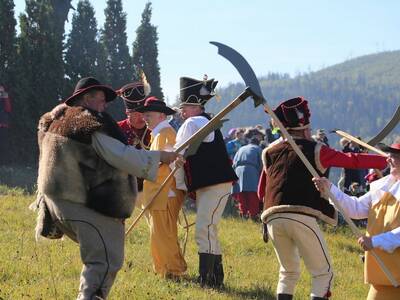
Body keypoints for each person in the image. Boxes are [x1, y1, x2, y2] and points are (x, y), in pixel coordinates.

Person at [33, 77, 179, 300]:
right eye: (100, 100)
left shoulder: (56, 121)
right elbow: (120, 155)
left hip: (58, 204)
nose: (104, 105)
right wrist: (161, 157)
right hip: (85, 203)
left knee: (99, 259)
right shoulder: (87, 122)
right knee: (105, 259)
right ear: (86, 99)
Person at [258, 97, 388, 300]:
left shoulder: (269, 152)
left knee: (288, 272)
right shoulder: (317, 149)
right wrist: (386, 160)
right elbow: (352, 161)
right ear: (306, 127)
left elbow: (261, 191)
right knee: (323, 273)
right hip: (301, 216)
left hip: (271, 217)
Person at [313, 141, 400, 300]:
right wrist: (330, 190)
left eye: (393, 156)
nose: (388, 160)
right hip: (385, 274)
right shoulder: (383, 186)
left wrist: (375, 241)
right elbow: (356, 208)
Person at [174, 75, 238, 288]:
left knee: (204, 228)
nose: (182, 112)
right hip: (213, 184)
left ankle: (208, 280)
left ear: (195, 107)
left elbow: (177, 151)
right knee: (208, 228)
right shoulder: (204, 121)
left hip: (213, 184)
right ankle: (215, 278)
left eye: (185, 106)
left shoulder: (194, 122)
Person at [135, 97, 187, 279]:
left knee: (164, 234)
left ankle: (173, 271)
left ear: (162, 115)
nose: (145, 118)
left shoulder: (165, 133)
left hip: (165, 192)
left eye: (148, 115)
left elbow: (170, 162)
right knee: (159, 234)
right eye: (144, 115)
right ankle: (166, 270)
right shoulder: (159, 133)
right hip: (159, 192)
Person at [116, 81, 152, 192]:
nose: (141, 118)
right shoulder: (116, 129)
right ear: (127, 113)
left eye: (143, 114)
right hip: (123, 188)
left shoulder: (154, 129)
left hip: (150, 186)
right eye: (136, 114)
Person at [232, 136, 263, 220]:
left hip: (238, 171)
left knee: (241, 193)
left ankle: (243, 214)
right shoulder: (258, 148)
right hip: (251, 170)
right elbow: (262, 164)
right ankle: (253, 215)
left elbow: (234, 163)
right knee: (252, 194)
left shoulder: (241, 148)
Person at [0, 85, 12, 164]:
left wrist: (5, 98)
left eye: (1, 92)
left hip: (4, 125)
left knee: (4, 145)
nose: (0, 93)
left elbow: (8, 109)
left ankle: (4, 163)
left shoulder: (5, 99)